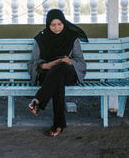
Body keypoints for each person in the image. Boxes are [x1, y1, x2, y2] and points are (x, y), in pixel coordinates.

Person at [27, 9, 88, 137]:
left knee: (60, 67)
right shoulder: (41, 38)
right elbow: (32, 62)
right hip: (48, 74)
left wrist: (69, 62)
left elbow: (81, 62)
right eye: (53, 25)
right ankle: (58, 124)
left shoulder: (72, 38)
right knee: (56, 78)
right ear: (48, 25)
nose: (56, 28)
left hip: (69, 74)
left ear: (64, 23)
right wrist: (45, 65)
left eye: (59, 24)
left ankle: (38, 100)